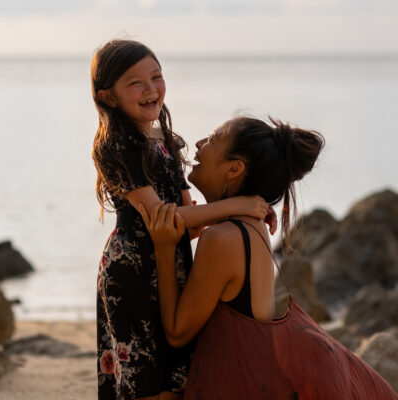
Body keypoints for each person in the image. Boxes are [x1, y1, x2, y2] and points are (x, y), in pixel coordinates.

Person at [141, 117, 398, 399]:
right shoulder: (254, 227)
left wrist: (164, 249)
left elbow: (177, 332)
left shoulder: (221, 238)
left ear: (234, 169)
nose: (199, 144)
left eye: (213, 139)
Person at [91, 40, 276, 400]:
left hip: (174, 264)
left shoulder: (168, 142)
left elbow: (190, 222)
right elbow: (163, 218)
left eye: (156, 77)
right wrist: (237, 204)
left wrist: (248, 209)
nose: (151, 89)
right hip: (131, 272)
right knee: (145, 378)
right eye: (135, 83)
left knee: (177, 378)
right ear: (108, 97)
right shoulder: (115, 146)